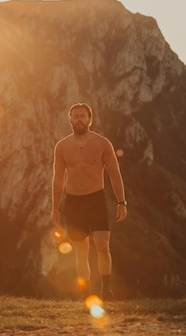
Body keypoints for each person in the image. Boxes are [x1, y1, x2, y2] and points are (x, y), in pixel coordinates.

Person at [51, 103, 128, 300]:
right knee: (81, 249)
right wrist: (55, 209)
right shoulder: (62, 146)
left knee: (103, 245)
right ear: (70, 120)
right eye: (75, 116)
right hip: (73, 202)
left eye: (82, 116)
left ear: (89, 120)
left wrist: (122, 202)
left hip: (96, 200)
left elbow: (115, 174)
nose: (78, 119)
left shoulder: (103, 144)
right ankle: (86, 294)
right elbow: (58, 179)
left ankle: (106, 290)